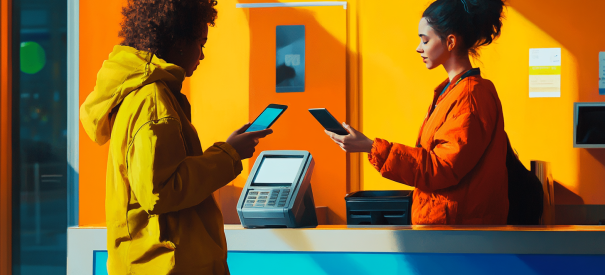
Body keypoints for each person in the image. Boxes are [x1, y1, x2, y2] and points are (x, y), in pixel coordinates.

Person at [79, 0, 272, 273]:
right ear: (179, 41)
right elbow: (160, 190)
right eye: (201, 43)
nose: (202, 55)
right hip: (168, 264)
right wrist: (229, 153)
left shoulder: (140, 94)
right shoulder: (153, 102)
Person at [325, 0, 509, 225]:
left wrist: (370, 146)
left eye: (425, 39)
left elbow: (441, 168)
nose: (418, 47)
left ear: (450, 41)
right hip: (449, 230)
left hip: (459, 235)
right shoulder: (452, 92)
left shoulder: (470, 96)